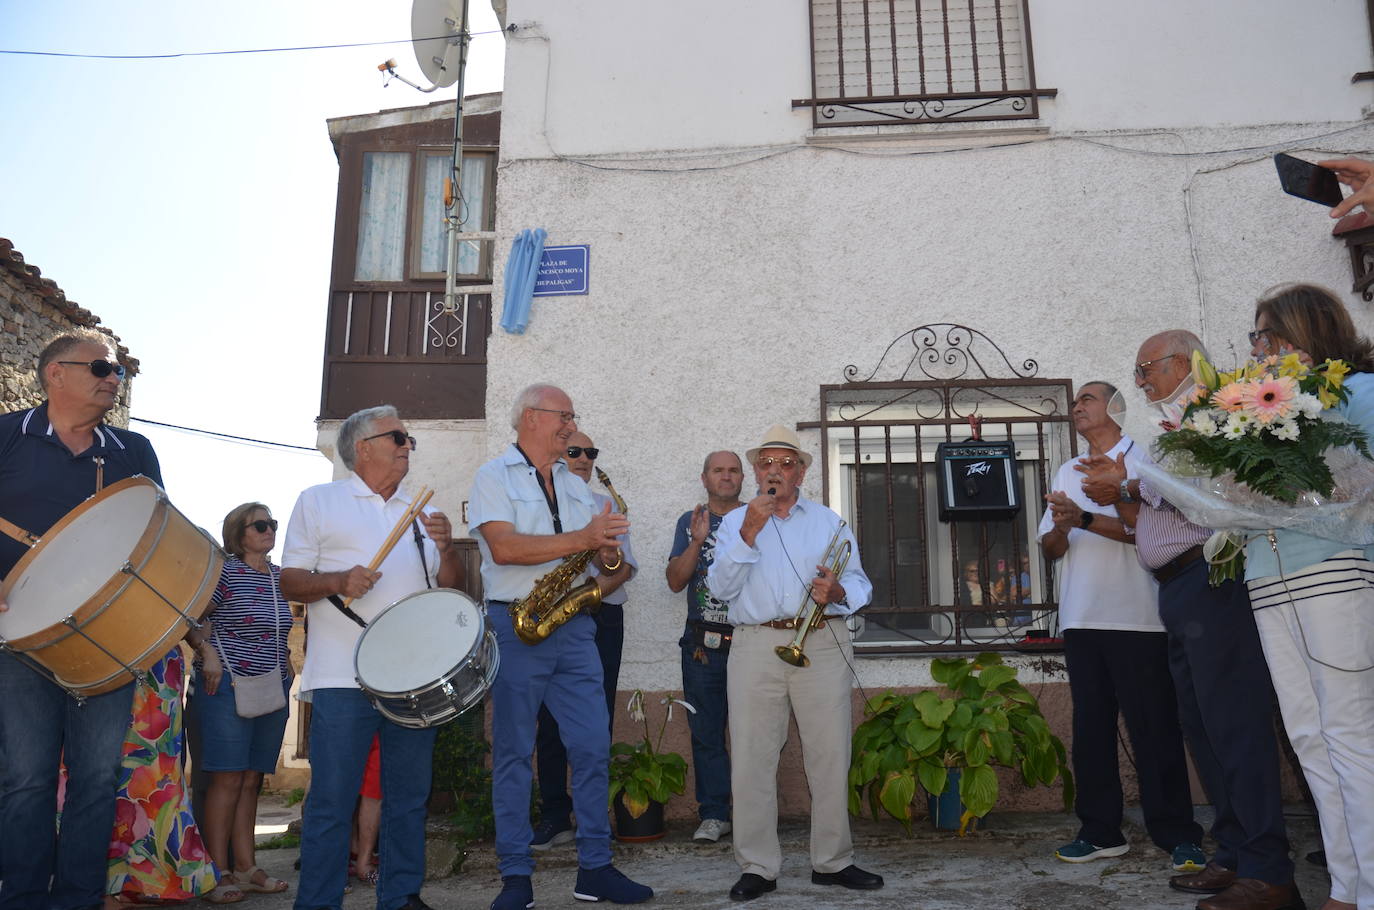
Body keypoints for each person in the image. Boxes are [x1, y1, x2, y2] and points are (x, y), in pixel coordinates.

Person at [1078, 331, 1298, 910]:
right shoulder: (1176, 425)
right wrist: (1124, 490)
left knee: (1236, 727)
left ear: (1182, 362)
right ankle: (1232, 854)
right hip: (1178, 588)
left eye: (1147, 367)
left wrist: (1126, 482)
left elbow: (1211, 495)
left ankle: (1269, 870)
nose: (1141, 378)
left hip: (1212, 580)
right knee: (1203, 727)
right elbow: (1155, 510)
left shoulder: (1218, 413)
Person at [469, 383, 650, 910]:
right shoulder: (491, 476)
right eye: (564, 416)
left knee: (593, 748)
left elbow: (602, 562)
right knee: (512, 755)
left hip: (573, 629)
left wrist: (611, 554)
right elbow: (503, 548)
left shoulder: (576, 487)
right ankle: (515, 878)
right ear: (531, 417)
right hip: (517, 625)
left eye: (572, 416)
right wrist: (585, 540)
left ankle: (595, 868)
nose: (571, 426)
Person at [0, 330, 163, 910]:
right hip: (17, 639)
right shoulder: (6, 437)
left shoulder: (132, 451)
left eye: (117, 371)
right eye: (99, 368)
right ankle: (20, 899)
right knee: (26, 779)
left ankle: (78, 899)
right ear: (55, 374)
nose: (111, 378)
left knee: (96, 781)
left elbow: (155, 533)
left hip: (109, 637)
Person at [280, 404, 463, 910]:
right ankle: (317, 902)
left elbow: (449, 589)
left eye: (408, 439)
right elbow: (290, 579)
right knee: (332, 800)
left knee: (408, 798)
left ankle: (401, 895)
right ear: (363, 447)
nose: (408, 446)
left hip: (412, 680)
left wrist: (448, 551)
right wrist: (338, 581)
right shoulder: (320, 501)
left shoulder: (419, 513)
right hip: (342, 676)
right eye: (398, 437)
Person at [707, 423, 882, 903]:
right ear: (755, 471)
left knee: (829, 756)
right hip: (755, 644)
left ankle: (833, 862)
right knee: (751, 759)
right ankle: (758, 867)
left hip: (822, 642)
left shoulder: (828, 521)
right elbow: (719, 590)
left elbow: (862, 585)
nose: (776, 471)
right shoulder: (734, 522)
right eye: (767, 463)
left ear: (802, 471)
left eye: (786, 463)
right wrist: (748, 531)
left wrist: (840, 593)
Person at [1240, 284, 1374, 910]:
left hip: (1335, 574)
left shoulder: (1362, 394)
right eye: (1256, 339)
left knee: (1348, 734)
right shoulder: (1255, 406)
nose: (1258, 350)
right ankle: (1346, 889)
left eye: (1265, 336)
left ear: (1303, 335)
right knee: (1308, 738)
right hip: (1268, 576)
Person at [1038, 382, 1204, 872]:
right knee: (1091, 729)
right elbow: (1049, 547)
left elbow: (1147, 533)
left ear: (1115, 408)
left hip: (1140, 618)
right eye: (1075, 402)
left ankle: (1177, 834)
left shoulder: (1145, 460)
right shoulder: (1066, 469)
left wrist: (1085, 518)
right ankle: (1099, 831)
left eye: (1086, 399)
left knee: (1154, 728)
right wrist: (1065, 525)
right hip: (1082, 616)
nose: (1077, 408)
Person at [530, 431, 635, 850]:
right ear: (558, 454)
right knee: (550, 721)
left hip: (601, 615)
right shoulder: (539, 502)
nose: (585, 459)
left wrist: (587, 594)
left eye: (591, 452)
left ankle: (593, 820)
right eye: (575, 451)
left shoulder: (605, 505)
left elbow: (624, 568)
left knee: (598, 719)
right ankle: (556, 814)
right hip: (552, 616)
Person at [188, 502, 294, 903]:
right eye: (260, 525)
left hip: (273, 686)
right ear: (239, 534)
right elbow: (192, 618)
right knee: (227, 777)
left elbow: (282, 627)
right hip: (227, 684)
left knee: (251, 778)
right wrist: (208, 654)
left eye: (273, 524)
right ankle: (219, 871)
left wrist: (286, 661)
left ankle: (248, 867)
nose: (269, 530)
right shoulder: (225, 572)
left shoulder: (281, 577)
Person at [665, 450, 744, 844]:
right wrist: (697, 541)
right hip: (703, 645)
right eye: (718, 470)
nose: (726, 477)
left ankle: (752, 813)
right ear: (705, 478)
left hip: (752, 641)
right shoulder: (689, 520)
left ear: (742, 478)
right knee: (706, 733)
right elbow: (675, 581)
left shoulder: (760, 518)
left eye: (733, 470)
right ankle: (715, 814)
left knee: (756, 733)